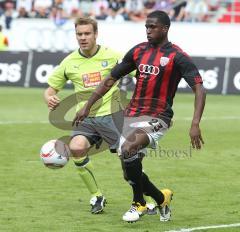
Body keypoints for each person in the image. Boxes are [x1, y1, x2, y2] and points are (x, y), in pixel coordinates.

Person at [73, 10, 206, 222]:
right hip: (132, 116)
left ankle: (139, 204)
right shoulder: (138, 51)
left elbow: (199, 88)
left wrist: (195, 123)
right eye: (146, 27)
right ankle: (161, 198)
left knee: (128, 149)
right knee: (129, 172)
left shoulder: (177, 56)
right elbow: (111, 79)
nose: (148, 30)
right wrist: (88, 106)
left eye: (153, 27)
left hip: (158, 117)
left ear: (165, 29)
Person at [44, 17, 156, 215]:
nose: (83, 38)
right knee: (76, 147)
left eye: (87, 33)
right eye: (79, 34)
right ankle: (96, 195)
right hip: (86, 119)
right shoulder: (69, 62)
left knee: (128, 164)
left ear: (96, 34)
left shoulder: (112, 56)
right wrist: (50, 97)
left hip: (114, 116)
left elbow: (139, 74)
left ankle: (146, 200)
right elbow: (50, 89)